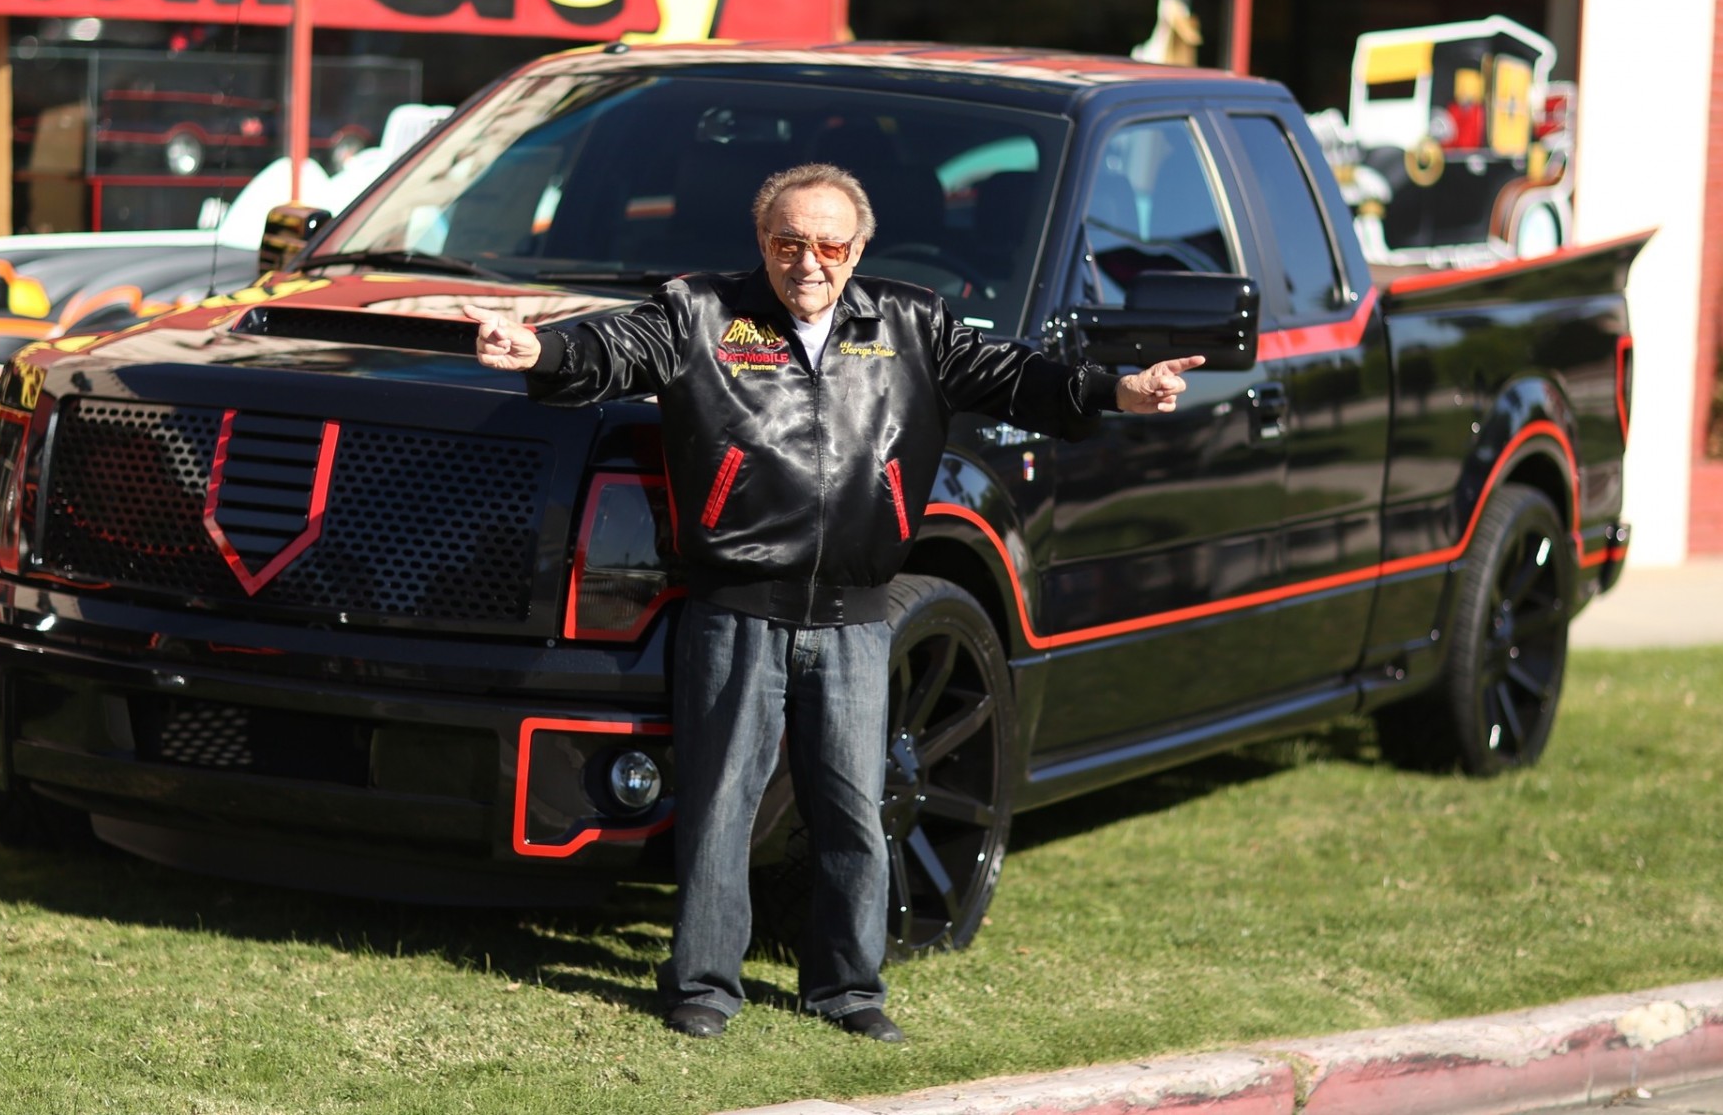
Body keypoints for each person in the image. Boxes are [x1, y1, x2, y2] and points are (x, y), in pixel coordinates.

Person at [468, 163, 1201, 1043]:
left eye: (827, 243)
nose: (807, 262)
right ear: (761, 244)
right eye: (787, 242)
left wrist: (1117, 389)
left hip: (857, 615)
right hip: (735, 609)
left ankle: (848, 989)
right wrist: (539, 349)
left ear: (857, 249)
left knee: (855, 807)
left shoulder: (913, 322)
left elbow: (1018, 378)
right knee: (719, 809)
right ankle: (703, 984)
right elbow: (611, 349)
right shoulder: (700, 312)